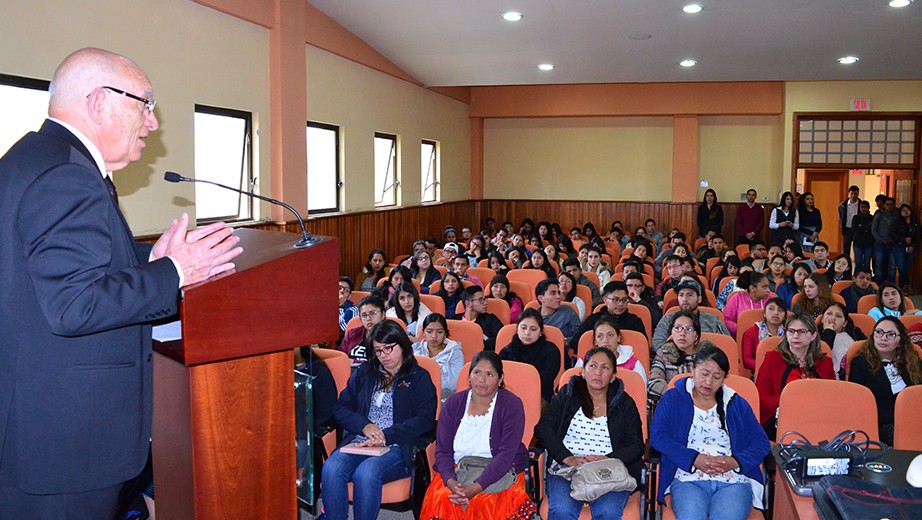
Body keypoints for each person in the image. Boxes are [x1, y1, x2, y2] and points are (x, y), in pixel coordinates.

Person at [0, 47, 243, 516]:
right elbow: (74, 304)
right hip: (68, 449)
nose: (152, 123)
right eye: (145, 104)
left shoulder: (33, 158)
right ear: (99, 102)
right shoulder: (68, 176)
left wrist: (149, 258)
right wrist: (175, 272)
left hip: (35, 430)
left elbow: (53, 266)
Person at [323, 321, 438, 520]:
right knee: (331, 468)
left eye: (388, 348)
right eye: (377, 350)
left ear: (402, 345)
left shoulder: (419, 377)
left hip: (396, 446)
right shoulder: (366, 372)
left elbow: (425, 420)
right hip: (360, 441)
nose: (383, 355)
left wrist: (386, 435)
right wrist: (364, 425)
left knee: (366, 474)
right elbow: (340, 407)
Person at [650, 347, 770, 520]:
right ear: (692, 369)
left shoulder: (736, 403)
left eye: (716, 377)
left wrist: (735, 461)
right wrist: (693, 459)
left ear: (724, 378)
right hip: (688, 477)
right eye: (704, 373)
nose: (708, 382)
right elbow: (658, 436)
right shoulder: (673, 398)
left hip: (733, 481)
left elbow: (761, 442)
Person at [420, 351, 536, 520]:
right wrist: (451, 483)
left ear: (501, 378)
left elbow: (505, 455)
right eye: (477, 373)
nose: (481, 380)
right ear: (469, 376)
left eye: (489, 374)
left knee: (482, 502)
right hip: (456, 469)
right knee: (444, 498)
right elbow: (443, 451)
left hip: (500, 470)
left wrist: (477, 487)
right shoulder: (453, 403)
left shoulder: (512, 404)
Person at [535, 347, 644, 520]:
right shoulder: (568, 395)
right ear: (583, 372)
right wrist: (567, 457)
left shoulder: (624, 402)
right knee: (562, 509)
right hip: (568, 466)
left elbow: (636, 444)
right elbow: (544, 428)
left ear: (614, 376)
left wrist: (608, 459)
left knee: (608, 512)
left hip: (607, 468)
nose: (598, 373)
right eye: (593, 366)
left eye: (605, 368)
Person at [755, 313, 835, 440]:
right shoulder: (772, 359)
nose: (795, 336)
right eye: (791, 331)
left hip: (817, 419)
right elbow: (761, 397)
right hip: (780, 418)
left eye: (802, 331)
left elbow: (832, 399)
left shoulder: (825, 363)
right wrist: (795, 406)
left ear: (813, 335)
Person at [848, 317, 922, 446]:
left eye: (891, 334)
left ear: (900, 341)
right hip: (881, 424)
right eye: (879, 332)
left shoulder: (914, 362)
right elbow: (857, 404)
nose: (883, 338)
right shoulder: (860, 363)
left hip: (914, 419)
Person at [648, 311, 719, 400]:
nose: (682, 333)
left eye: (689, 329)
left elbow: (717, 384)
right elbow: (653, 384)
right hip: (674, 405)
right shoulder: (664, 354)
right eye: (677, 328)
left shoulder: (708, 357)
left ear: (697, 335)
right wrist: (681, 394)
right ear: (671, 332)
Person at [498, 309, 561, 409]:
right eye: (523, 328)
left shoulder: (551, 351)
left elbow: (544, 379)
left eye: (533, 329)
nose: (527, 333)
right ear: (517, 329)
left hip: (539, 396)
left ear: (540, 332)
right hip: (508, 395)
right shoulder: (506, 351)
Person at [651, 280, 730, 352]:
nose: (684, 299)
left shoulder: (713, 320)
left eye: (689, 295)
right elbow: (657, 343)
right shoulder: (668, 318)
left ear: (699, 299)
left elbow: (727, 344)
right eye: (681, 295)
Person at [576, 315, 648, 384]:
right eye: (600, 336)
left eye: (610, 335)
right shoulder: (583, 363)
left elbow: (641, 393)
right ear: (595, 341)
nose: (605, 340)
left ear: (618, 338)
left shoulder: (634, 365)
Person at [573, 281, 648, 346]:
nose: (621, 304)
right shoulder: (594, 319)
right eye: (615, 300)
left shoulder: (634, 321)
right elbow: (576, 342)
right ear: (605, 300)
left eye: (624, 300)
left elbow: (643, 345)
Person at [413, 314, 463, 397]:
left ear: (445, 334)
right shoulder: (415, 349)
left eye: (439, 332)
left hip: (442, 395)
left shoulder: (454, 353)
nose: (434, 336)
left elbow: (454, 383)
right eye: (429, 331)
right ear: (423, 333)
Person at [535, 279, 581, 359]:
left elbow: (579, 334)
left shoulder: (568, 311)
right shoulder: (533, 317)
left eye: (559, 293)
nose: (559, 297)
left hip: (560, 356)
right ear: (541, 298)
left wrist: (566, 342)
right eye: (553, 293)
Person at [818, 302, 866, 379]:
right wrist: (829, 331)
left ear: (845, 323)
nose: (833, 318)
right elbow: (823, 353)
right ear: (822, 319)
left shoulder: (855, 333)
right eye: (829, 314)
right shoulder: (815, 336)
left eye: (838, 316)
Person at [741, 297, 787, 373]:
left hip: (785, 372)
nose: (776, 313)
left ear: (785, 316)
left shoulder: (790, 334)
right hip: (760, 372)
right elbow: (747, 361)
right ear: (764, 313)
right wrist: (768, 367)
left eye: (780, 310)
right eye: (771, 309)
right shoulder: (751, 333)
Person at [723, 271, 774, 337]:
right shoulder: (737, 298)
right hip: (742, 336)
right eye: (764, 287)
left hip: (767, 337)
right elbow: (725, 320)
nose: (768, 290)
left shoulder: (772, 299)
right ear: (752, 288)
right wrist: (741, 329)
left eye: (768, 286)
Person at [455, 286, 504, 351]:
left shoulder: (490, 319)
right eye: (480, 299)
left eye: (485, 299)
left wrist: (482, 344)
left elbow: (501, 339)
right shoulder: (454, 321)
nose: (485, 302)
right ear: (468, 304)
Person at [340, 294, 387, 360]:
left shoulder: (391, 335)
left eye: (373, 313)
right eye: (364, 315)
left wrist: (354, 362)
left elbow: (386, 364)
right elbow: (341, 358)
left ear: (383, 314)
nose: (368, 318)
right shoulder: (353, 333)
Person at [888, 203, 920, 293]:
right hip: (898, 247)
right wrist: (903, 239)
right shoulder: (897, 221)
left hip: (911, 248)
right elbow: (891, 233)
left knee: (906, 268)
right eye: (903, 210)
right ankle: (905, 285)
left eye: (907, 210)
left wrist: (913, 246)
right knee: (901, 267)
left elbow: (918, 236)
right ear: (900, 212)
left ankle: (901, 287)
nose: (906, 212)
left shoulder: (915, 222)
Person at [872, 197, 898, 283]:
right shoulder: (879, 215)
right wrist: (882, 240)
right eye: (887, 204)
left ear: (894, 205)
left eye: (891, 204)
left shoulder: (897, 216)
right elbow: (874, 230)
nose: (889, 206)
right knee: (879, 265)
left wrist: (894, 240)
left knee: (892, 266)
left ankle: (891, 285)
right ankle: (879, 286)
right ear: (884, 205)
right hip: (880, 244)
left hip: (894, 244)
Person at [839, 185, 862, 259]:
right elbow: (840, 217)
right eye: (851, 193)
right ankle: (846, 266)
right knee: (845, 250)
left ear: (858, 194)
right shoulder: (843, 206)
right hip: (847, 230)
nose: (853, 196)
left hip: (858, 231)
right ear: (848, 194)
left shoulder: (861, 205)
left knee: (858, 250)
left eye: (855, 193)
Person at [852, 200, 875, 271]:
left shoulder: (872, 218)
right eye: (862, 207)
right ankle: (857, 277)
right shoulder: (856, 217)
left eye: (865, 207)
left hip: (869, 243)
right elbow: (854, 228)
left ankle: (867, 277)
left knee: (867, 262)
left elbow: (872, 229)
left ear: (868, 208)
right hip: (858, 242)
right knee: (858, 262)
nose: (863, 209)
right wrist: (866, 227)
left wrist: (861, 226)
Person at [339, 276, 361, 343]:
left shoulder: (353, 310)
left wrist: (341, 306)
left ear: (349, 297)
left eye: (346, 290)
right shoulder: (324, 306)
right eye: (339, 288)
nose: (342, 291)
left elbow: (346, 331)